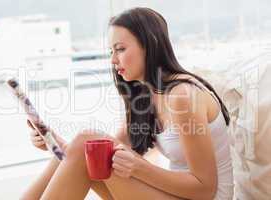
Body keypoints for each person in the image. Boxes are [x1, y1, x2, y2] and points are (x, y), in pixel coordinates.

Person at [20, 7, 234, 200]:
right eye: (111, 52)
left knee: (87, 140)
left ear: (150, 45)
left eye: (120, 49)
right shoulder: (144, 96)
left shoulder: (182, 95)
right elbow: (87, 154)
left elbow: (205, 188)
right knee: (83, 149)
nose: (113, 60)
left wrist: (140, 168)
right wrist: (53, 143)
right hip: (175, 195)